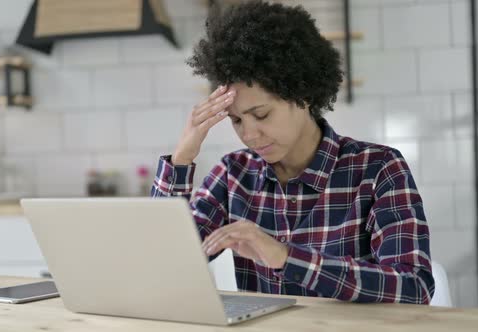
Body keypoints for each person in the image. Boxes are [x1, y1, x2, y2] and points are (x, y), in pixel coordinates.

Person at [151, 0, 434, 304]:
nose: (249, 135)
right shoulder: (233, 174)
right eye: (236, 120)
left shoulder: (378, 168)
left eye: (261, 115)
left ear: (302, 95)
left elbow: (414, 287)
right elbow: (162, 267)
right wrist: (182, 158)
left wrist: (287, 258)